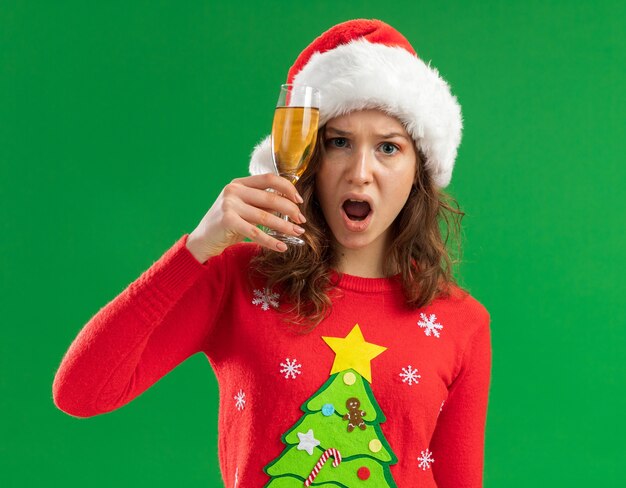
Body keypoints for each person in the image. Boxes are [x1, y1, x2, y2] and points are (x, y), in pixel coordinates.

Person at [52, 19, 491, 488]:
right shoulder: (240, 281)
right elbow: (81, 392)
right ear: (306, 158)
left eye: (388, 147)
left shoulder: (459, 322)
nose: (360, 173)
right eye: (338, 143)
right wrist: (197, 249)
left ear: (418, 170)